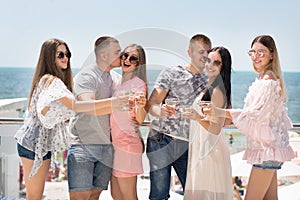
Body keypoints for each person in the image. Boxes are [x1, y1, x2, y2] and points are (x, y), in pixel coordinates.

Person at [14, 38, 123, 200]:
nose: (65, 58)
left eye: (67, 54)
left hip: (40, 144)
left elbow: (54, 110)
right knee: (34, 197)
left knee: (35, 196)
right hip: (32, 144)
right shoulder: (51, 81)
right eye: (60, 55)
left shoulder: (53, 81)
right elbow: (78, 106)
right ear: (49, 57)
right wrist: (114, 103)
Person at [206, 35, 295, 200]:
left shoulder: (267, 80)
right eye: (253, 52)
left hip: (266, 152)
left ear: (272, 54)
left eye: (261, 52)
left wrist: (217, 111)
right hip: (270, 151)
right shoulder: (265, 78)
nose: (256, 56)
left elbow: (253, 114)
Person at [146, 34, 211, 199]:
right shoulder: (171, 73)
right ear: (190, 52)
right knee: (159, 195)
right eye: (200, 52)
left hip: (189, 144)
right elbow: (152, 104)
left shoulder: (210, 80)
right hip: (161, 140)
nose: (205, 56)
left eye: (208, 52)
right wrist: (159, 111)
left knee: (194, 193)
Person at [67, 36, 123, 200]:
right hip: (83, 146)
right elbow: (87, 105)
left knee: (94, 196)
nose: (122, 55)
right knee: (80, 197)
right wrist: (116, 102)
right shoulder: (87, 76)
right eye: (117, 52)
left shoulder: (115, 78)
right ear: (104, 55)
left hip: (106, 147)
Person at [182, 46, 233, 199]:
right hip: (201, 145)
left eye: (216, 63)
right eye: (208, 60)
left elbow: (215, 129)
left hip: (210, 148)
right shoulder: (208, 87)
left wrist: (197, 117)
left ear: (223, 67)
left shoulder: (217, 90)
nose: (210, 65)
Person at [110, 44, 148, 200]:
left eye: (133, 58)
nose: (127, 60)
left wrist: (140, 105)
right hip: (114, 145)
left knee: (128, 196)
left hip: (127, 145)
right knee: (116, 195)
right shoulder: (117, 82)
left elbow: (139, 119)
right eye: (125, 55)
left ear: (138, 64)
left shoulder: (138, 84)